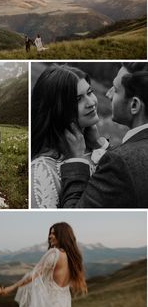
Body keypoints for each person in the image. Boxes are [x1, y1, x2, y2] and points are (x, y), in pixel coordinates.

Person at [59, 62, 148, 208]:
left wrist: (76, 159)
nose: (108, 94)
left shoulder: (118, 162)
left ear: (134, 105)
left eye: (116, 90)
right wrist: (101, 145)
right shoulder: (122, 159)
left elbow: (75, 214)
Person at [31, 64, 107, 208]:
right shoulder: (43, 172)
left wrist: (99, 145)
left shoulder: (96, 150)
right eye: (78, 99)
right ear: (57, 109)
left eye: (90, 92)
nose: (91, 103)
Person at [1, 222, 87, 307]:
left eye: (54, 234)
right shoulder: (73, 258)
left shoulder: (54, 254)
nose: (50, 236)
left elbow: (32, 276)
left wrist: (10, 288)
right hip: (64, 305)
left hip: (49, 304)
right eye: (50, 233)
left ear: (62, 235)